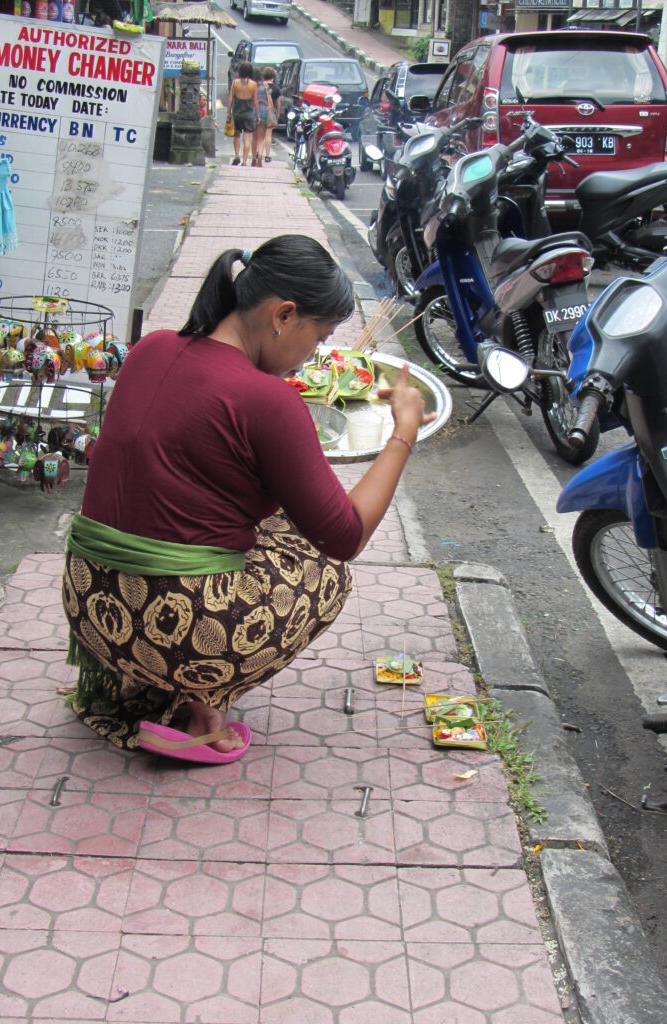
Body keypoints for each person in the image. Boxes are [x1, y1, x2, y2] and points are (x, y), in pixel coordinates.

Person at [62, 235, 433, 762]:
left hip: (89, 604)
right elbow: (346, 535)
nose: (310, 358)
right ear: (283, 315)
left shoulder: (151, 347)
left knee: (281, 519)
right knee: (325, 568)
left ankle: (133, 685)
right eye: (317, 336)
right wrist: (404, 432)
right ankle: (202, 699)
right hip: (170, 623)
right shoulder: (269, 400)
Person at [225, 61, 257, 167]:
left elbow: (230, 99)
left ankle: (236, 155)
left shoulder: (235, 83)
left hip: (237, 113)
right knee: (247, 137)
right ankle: (244, 161)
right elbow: (255, 101)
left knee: (237, 135)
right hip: (249, 114)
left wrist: (228, 113)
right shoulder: (253, 84)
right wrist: (258, 115)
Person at [251, 67, 274, 168]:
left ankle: (253, 158)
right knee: (261, 137)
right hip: (264, 111)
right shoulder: (266, 86)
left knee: (254, 137)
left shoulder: (252, 85)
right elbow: (270, 100)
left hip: (254, 111)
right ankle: (260, 155)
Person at [263, 67, 280, 163]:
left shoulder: (261, 86)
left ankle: (258, 153)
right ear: (273, 77)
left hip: (261, 111)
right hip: (271, 112)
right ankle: (267, 155)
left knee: (260, 134)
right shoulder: (276, 88)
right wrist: (277, 113)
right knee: (268, 134)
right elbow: (278, 103)